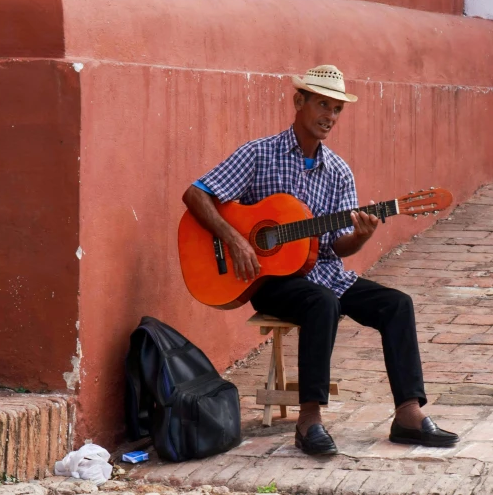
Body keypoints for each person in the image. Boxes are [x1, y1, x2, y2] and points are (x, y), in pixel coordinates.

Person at [182, 65, 458, 456]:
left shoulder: (339, 172)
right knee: (321, 303)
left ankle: (408, 414)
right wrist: (236, 241)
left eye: (337, 109)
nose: (329, 116)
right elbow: (196, 194)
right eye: (322, 105)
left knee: (397, 304)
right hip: (270, 280)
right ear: (299, 102)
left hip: (327, 274)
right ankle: (309, 419)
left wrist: (359, 237)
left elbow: (337, 247)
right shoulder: (259, 154)